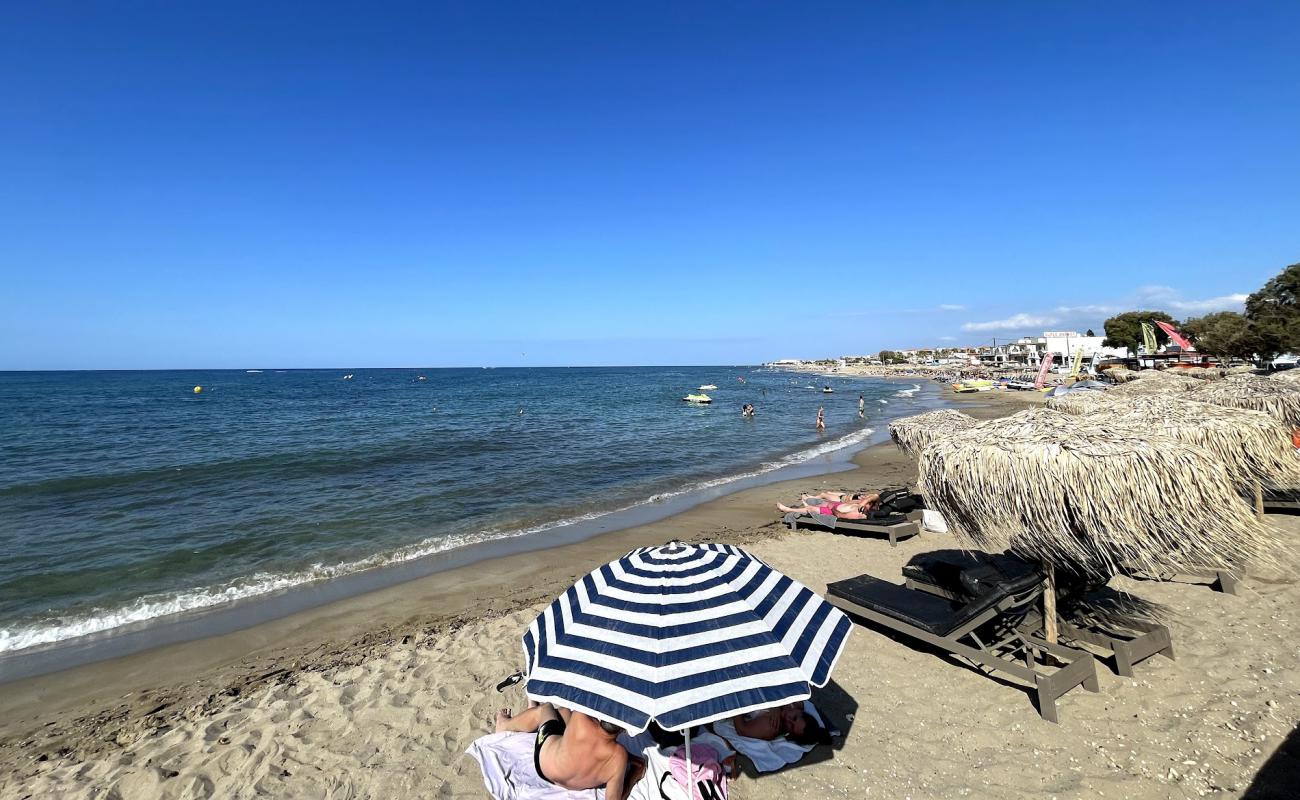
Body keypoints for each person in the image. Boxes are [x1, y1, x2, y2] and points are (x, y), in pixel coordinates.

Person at [496, 703, 644, 800]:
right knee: (563, 713)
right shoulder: (619, 757)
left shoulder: (581, 717)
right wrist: (632, 777)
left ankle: (504, 725)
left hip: (545, 765)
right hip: (574, 785)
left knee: (545, 709)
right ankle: (529, 711)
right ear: (624, 728)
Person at [731, 702, 831, 747]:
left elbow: (741, 729)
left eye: (791, 726)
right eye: (794, 717)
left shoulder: (770, 726)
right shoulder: (796, 702)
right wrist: (777, 703)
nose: (788, 719)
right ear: (799, 711)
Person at [776, 499, 873, 519]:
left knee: (811, 509)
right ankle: (806, 505)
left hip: (833, 511)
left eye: (868, 504)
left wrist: (833, 507)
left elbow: (839, 515)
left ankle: (788, 509)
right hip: (837, 506)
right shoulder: (862, 509)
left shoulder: (859, 514)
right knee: (822, 502)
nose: (865, 504)